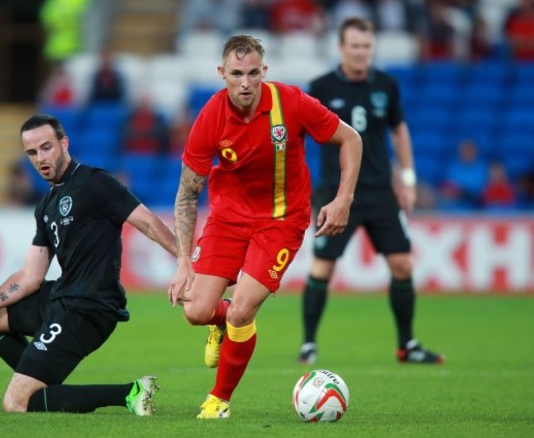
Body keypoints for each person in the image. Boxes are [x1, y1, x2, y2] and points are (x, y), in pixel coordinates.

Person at [168, 35, 362, 419]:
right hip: (227, 218)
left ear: (264, 72)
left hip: (281, 221)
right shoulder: (209, 117)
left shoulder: (291, 102)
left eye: (252, 73)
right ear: (221, 74)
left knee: (242, 311)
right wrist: (183, 263)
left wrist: (343, 199)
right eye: (236, 73)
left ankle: (219, 399)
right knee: (195, 311)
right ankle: (217, 322)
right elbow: (187, 194)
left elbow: (350, 139)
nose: (245, 82)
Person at [0, 113, 178, 414]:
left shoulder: (94, 182)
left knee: (17, 403)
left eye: (47, 147)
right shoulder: (46, 205)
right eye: (32, 153)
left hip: (89, 307)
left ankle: (131, 392)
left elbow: (149, 223)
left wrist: (185, 263)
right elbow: (30, 276)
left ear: (64, 143)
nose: (40, 158)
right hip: (61, 297)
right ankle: (38, 375)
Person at [298, 17, 444, 366]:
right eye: (355, 46)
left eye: (367, 46)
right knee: (322, 267)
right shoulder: (320, 86)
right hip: (336, 194)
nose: (362, 53)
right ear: (341, 48)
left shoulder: (387, 86)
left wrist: (407, 180)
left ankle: (406, 344)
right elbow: (300, 137)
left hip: (380, 191)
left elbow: (400, 131)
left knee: (402, 264)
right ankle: (308, 344)